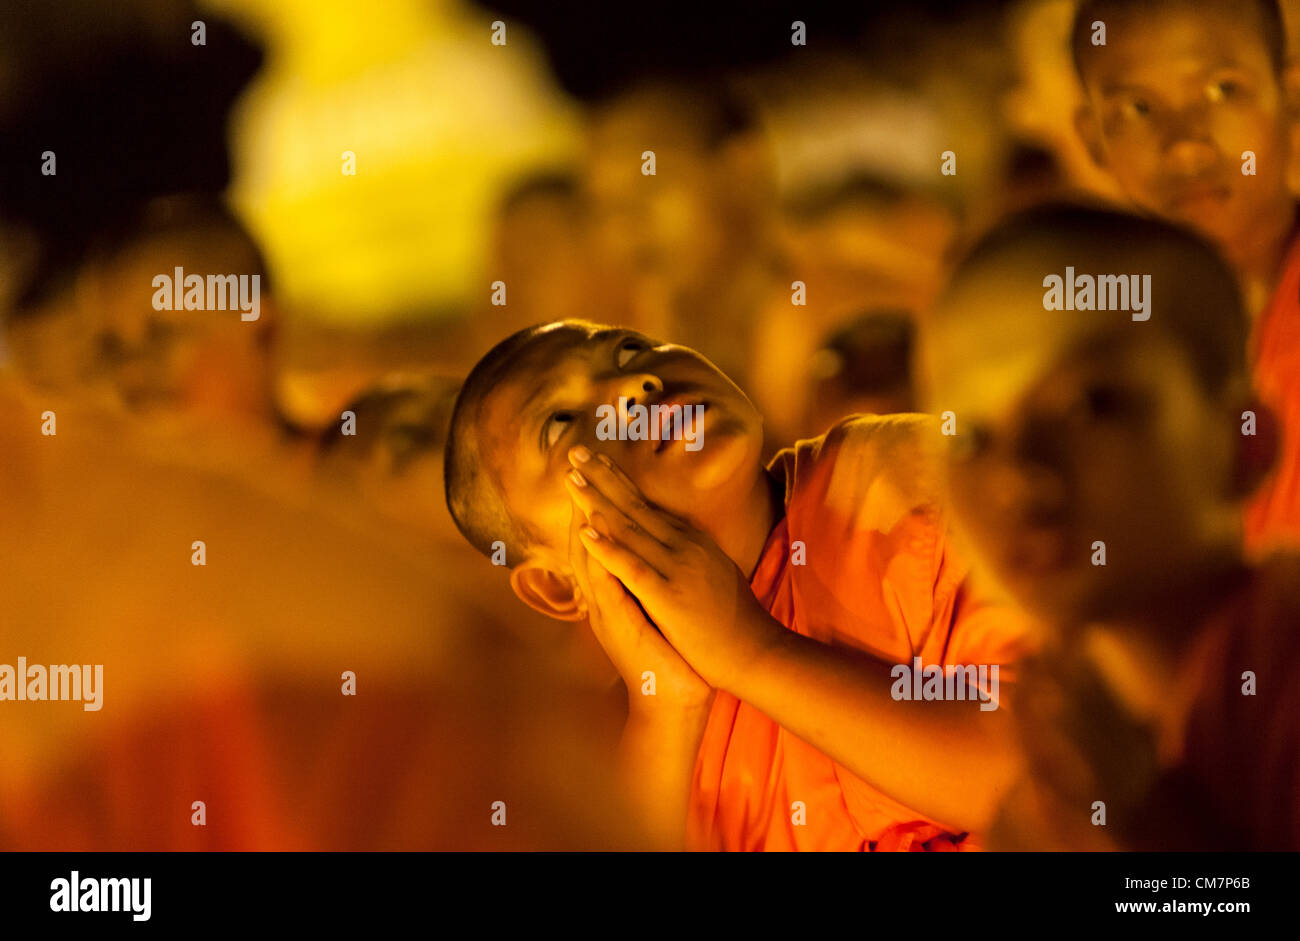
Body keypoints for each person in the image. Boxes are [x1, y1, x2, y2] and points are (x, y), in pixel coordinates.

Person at [443, 320, 1030, 850]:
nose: (637, 386)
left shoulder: (891, 483)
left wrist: (754, 653)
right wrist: (667, 714)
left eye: (629, 350)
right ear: (554, 585)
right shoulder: (612, 757)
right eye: (561, 422)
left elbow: (1047, 786)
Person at [922, 205, 1300, 849]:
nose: (1019, 475)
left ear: (1246, 443)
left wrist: (1145, 823)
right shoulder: (1061, 750)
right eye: (970, 438)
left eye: (1091, 405)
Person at [1070, 0, 1300, 552]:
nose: (1185, 146)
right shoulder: (1076, 355)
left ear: (1290, 96)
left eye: (1223, 91)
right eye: (1136, 108)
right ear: (1092, 137)